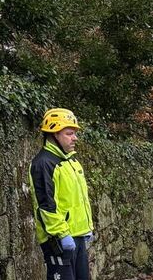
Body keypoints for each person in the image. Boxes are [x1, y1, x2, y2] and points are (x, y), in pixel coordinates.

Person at [29, 108, 94, 280]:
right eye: (69, 133)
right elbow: (46, 205)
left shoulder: (71, 161)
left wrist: (87, 229)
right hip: (58, 240)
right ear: (54, 134)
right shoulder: (43, 164)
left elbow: (79, 200)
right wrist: (62, 234)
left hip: (78, 237)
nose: (75, 138)